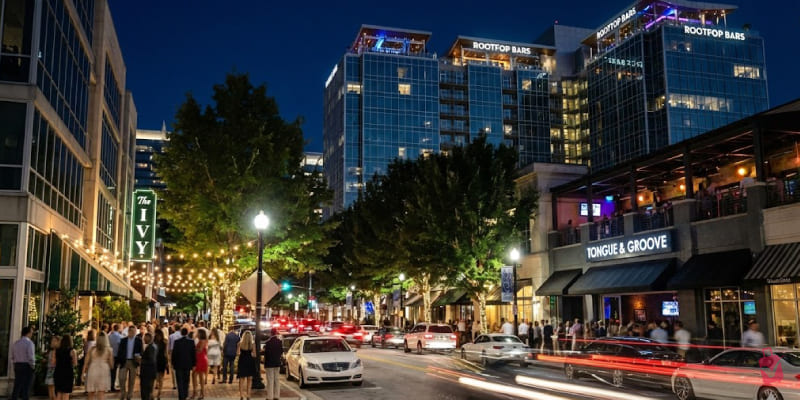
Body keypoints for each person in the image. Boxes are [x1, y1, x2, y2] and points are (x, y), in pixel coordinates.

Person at [116, 326, 143, 400]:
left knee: (132, 380)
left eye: (134, 331)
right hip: (124, 361)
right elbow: (120, 351)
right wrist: (119, 361)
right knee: (122, 378)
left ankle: (129, 395)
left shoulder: (138, 340)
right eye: (132, 331)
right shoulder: (123, 340)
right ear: (129, 331)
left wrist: (139, 357)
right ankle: (123, 393)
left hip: (133, 361)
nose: (133, 333)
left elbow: (141, 351)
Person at [84, 332, 113, 400]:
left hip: (93, 369)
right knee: (101, 393)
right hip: (104, 370)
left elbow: (86, 362)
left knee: (91, 393)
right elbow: (111, 365)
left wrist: (83, 373)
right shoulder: (109, 350)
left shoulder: (92, 349)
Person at [10, 326, 35, 400]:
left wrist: (15, 364)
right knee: (26, 387)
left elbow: (12, 356)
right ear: (29, 333)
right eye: (31, 333)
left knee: (17, 385)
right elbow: (31, 356)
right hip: (26, 365)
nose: (32, 334)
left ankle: (14, 398)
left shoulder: (16, 343)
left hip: (17, 365)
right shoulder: (29, 343)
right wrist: (33, 366)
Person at [171, 328, 196, 400]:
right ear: (187, 333)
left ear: (181, 333)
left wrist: (173, 363)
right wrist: (194, 364)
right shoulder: (191, 342)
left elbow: (174, 354)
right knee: (186, 380)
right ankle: (185, 394)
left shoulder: (177, 342)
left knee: (179, 380)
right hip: (188, 364)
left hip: (178, 364)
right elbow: (193, 354)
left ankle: (181, 396)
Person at [54, 334, 77, 400]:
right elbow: (75, 363)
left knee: (59, 393)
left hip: (58, 372)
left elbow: (54, 362)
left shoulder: (57, 350)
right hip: (68, 373)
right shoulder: (72, 351)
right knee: (66, 394)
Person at [263, 329, 282, 400]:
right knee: (277, 379)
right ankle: (277, 396)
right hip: (277, 363)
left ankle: (270, 396)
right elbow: (281, 352)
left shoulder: (268, 342)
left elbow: (266, 354)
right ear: (276, 333)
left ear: (271, 333)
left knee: (270, 380)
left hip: (269, 364)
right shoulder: (279, 342)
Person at [237, 331, 257, 400]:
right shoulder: (253, 344)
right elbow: (254, 355)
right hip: (250, 361)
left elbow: (237, 353)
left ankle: (241, 395)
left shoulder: (239, 344)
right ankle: (248, 395)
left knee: (241, 379)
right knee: (249, 379)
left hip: (242, 361)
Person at [192, 329, 208, 400]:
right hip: (200, 359)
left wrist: (193, 349)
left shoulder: (202, 341)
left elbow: (200, 350)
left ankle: (197, 392)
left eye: (197, 333)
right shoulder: (202, 340)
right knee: (199, 376)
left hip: (200, 359)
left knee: (196, 375)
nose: (196, 334)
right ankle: (201, 393)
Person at [139, 333, 157, 400]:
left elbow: (151, 360)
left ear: (149, 338)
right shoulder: (152, 346)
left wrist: (141, 360)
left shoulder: (151, 347)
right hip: (149, 372)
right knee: (148, 390)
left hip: (147, 372)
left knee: (146, 391)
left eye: (145, 338)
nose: (144, 339)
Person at [153, 329, 168, 400]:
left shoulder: (164, 343)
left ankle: (159, 393)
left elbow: (165, 353)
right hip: (156, 360)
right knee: (156, 376)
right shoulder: (154, 342)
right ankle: (157, 389)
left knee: (161, 377)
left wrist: (167, 362)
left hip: (161, 360)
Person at [108, 325, 122, 392]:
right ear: (118, 329)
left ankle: (109, 385)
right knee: (114, 371)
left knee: (110, 371)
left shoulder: (109, 336)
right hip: (116, 355)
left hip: (109, 355)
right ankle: (112, 386)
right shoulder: (119, 336)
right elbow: (120, 347)